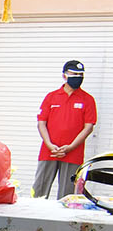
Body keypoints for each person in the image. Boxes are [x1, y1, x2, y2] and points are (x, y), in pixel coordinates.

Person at [34, 59, 97, 199]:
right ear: (64, 75)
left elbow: (88, 127)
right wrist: (50, 145)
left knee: (67, 195)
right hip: (49, 151)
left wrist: (70, 147)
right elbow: (41, 123)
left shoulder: (88, 99)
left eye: (81, 75)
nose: (78, 78)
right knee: (39, 190)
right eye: (74, 74)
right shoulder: (51, 97)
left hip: (73, 153)